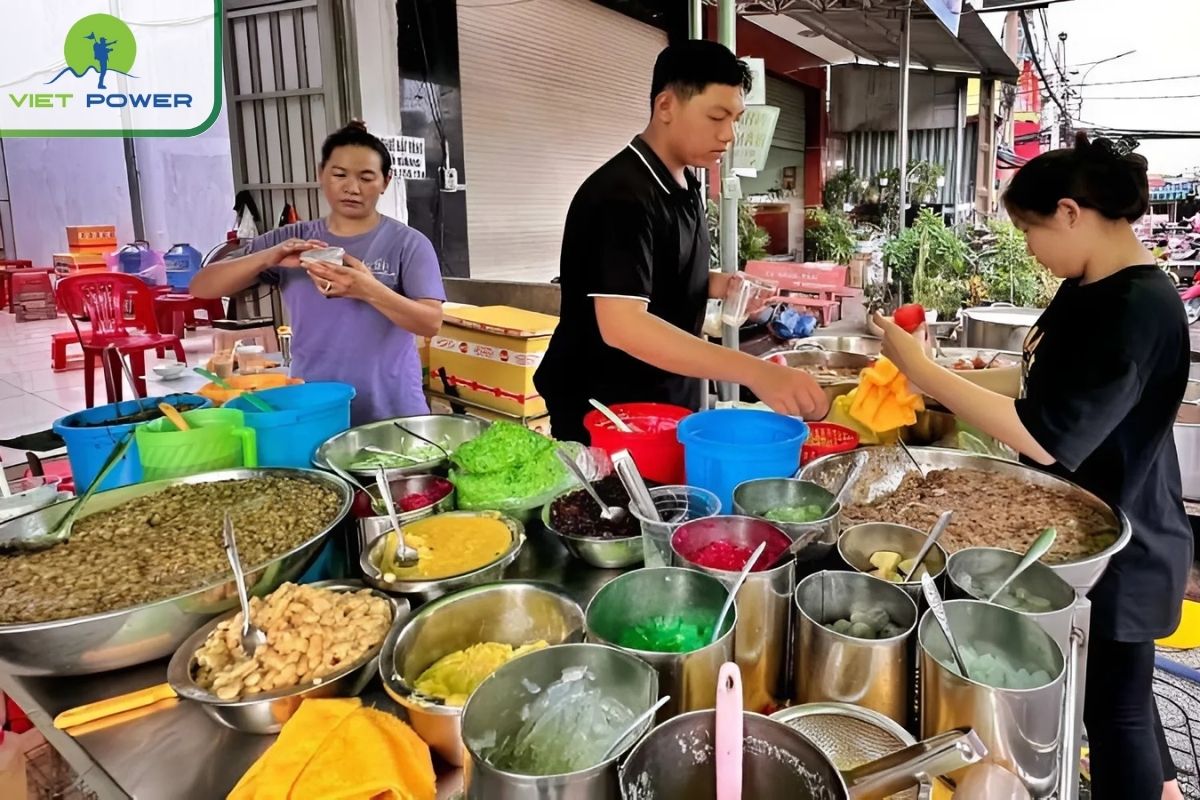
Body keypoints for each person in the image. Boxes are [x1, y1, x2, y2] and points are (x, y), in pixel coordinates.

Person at [875, 133, 1191, 800]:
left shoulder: (1138, 310)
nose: (1028, 248)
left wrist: (923, 369)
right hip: (1079, 521)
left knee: (1118, 711)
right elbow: (1036, 383)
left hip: (1119, 540)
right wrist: (941, 382)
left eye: (1029, 229)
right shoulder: (1089, 284)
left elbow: (1043, 435)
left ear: (1072, 213)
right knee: (1117, 693)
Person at [533, 41, 827, 443]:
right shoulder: (621, 195)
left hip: (667, 404)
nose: (728, 135)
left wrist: (721, 284)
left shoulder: (686, 182)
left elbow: (657, 273)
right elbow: (623, 325)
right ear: (666, 106)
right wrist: (755, 370)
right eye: (716, 117)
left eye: (735, 119)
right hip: (611, 417)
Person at [191, 122, 445, 426]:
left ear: (385, 182)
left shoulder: (408, 243)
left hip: (392, 410)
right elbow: (202, 286)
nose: (352, 188)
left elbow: (430, 323)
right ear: (320, 174)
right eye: (339, 175)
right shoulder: (292, 239)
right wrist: (268, 257)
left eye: (366, 178)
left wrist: (367, 289)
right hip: (314, 406)